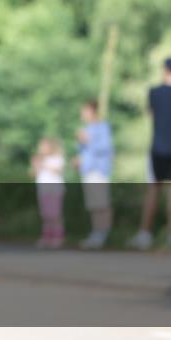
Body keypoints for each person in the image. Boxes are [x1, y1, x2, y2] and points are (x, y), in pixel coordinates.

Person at [129, 57, 171, 250]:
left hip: (159, 147)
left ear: (164, 70)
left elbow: (152, 114)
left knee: (154, 189)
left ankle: (145, 233)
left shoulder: (154, 93)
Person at [75, 100, 113, 249]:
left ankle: (102, 234)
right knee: (93, 203)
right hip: (88, 170)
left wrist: (88, 140)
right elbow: (85, 151)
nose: (82, 114)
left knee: (101, 203)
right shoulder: (86, 128)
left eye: (84, 111)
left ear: (92, 111)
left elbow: (106, 148)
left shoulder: (102, 127)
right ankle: (96, 232)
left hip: (98, 170)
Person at [31, 137, 65, 249]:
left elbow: (58, 170)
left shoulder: (57, 158)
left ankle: (58, 238)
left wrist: (44, 164)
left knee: (55, 215)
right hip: (43, 190)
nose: (41, 149)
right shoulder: (40, 159)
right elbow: (34, 174)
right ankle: (47, 237)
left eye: (44, 146)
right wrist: (36, 165)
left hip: (54, 190)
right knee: (46, 215)